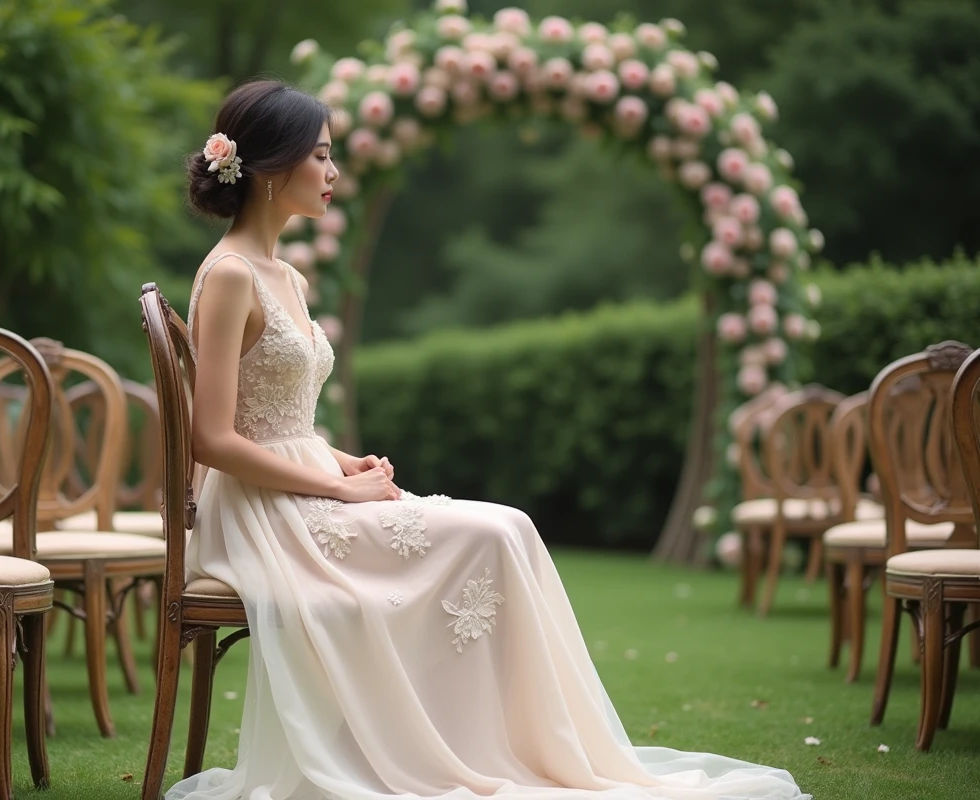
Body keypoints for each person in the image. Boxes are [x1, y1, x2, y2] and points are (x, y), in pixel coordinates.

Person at [172, 79, 809, 800]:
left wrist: (346, 463)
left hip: (307, 487)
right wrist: (336, 488)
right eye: (319, 156)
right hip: (262, 516)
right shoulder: (230, 276)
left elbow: (279, 419)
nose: (333, 172)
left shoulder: (286, 275)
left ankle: (513, 746)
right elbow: (211, 438)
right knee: (492, 535)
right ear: (269, 165)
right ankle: (465, 752)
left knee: (509, 528)